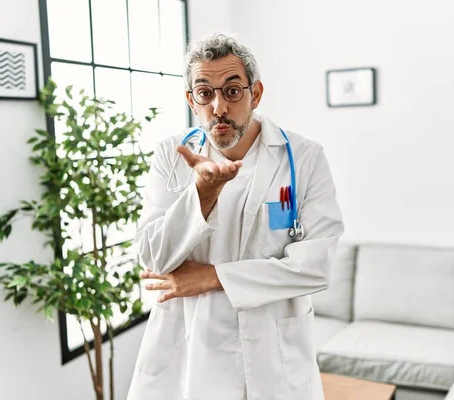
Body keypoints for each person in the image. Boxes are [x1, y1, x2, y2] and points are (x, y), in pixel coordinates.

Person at [127, 32, 344, 400]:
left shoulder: (305, 158)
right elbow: (152, 257)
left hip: (272, 357)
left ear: (255, 94)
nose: (218, 108)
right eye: (205, 93)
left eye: (231, 91)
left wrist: (213, 277)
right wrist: (203, 193)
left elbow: (316, 266)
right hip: (190, 351)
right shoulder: (170, 155)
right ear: (191, 100)